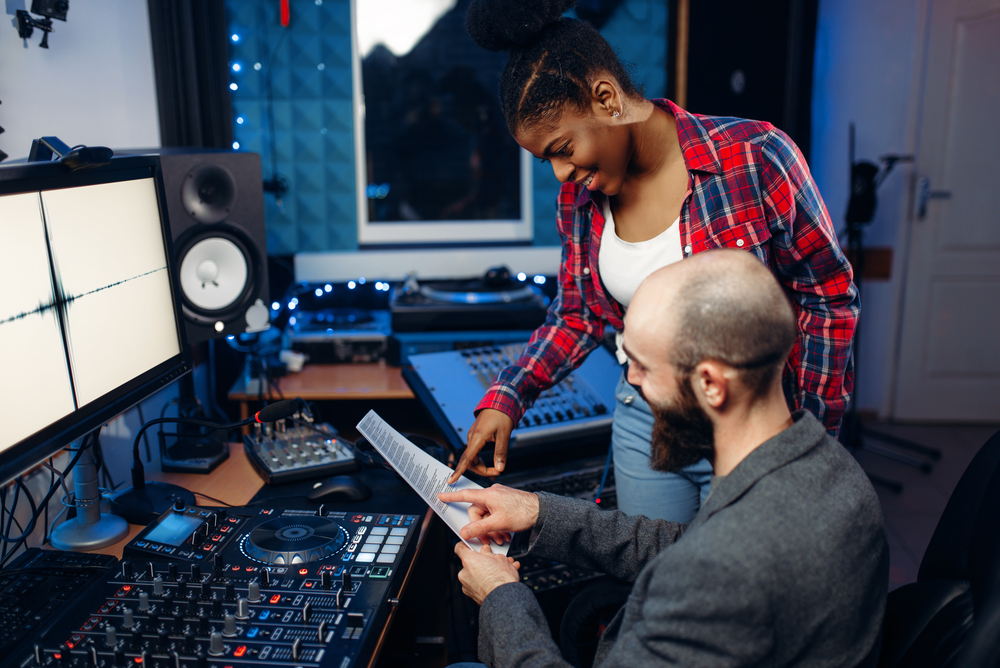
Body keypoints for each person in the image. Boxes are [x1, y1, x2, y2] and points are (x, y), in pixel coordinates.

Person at [447, 0, 859, 524]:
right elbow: (577, 315)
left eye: (563, 148)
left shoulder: (756, 157)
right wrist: (508, 396)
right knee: (652, 580)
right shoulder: (578, 202)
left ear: (606, 98)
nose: (559, 173)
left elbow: (828, 299)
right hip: (645, 421)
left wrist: (813, 437)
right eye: (544, 159)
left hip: (751, 430)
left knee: (727, 592)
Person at [439, 249, 888, 668]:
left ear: (711, 384)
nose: (630, 382)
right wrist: (539, 513)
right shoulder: (828, 466)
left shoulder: (721, 576)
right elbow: (690, 543)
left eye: (642, 366)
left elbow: (710, 566)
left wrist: (502, 596)